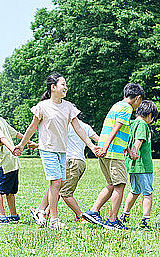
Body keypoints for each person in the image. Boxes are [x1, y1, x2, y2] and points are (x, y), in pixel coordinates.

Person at [13, 73, 103, 230]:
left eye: (65, 84)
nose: (65, 87)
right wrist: (22, 144)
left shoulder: (68, 107)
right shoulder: (42, 107)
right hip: (47, 149)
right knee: (55, 183)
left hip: (62, 151)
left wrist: (91, 146)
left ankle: (41, 211)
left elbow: (78, 128)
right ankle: (54, 220)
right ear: (53, 87)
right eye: (63, 84)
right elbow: (32, 127)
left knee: (59, 184)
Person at [82, 83, 145, 230]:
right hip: (113, 153)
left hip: (108, 152)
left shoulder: (116, 106)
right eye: (140, 101)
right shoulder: (127, 108)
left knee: (112, 184)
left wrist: (128, 150)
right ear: (138, 98)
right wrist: (105, 148)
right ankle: (112, 220)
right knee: (120, 185)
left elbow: (118, 130)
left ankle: (94, 211)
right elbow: (116, 128)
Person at [0, 93, 36, 224]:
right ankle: (13, 215)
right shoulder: (1, 120)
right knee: (9, 191)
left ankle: (1, 216)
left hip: (4, 163)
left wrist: (12, 149)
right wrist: (28, 142)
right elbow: (15, 133)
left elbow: (2, 138)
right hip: (13, 163)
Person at [42, 118, 99, 222]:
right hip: (81, 162)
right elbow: (98, 140)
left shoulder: (66, 125)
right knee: (58, 188)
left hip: (70, 161)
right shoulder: (85, 126)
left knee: (65, 192)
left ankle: (81, 216)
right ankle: (45, 213)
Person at [120, 100, 158, 230]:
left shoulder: (132, 123)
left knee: (135, 190)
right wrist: (134, 152)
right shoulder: (142, 124)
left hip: (132, 166)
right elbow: (139, 139)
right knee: (147, 193)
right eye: (153, 118)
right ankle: (145, 220)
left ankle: (125, 214)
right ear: (150, 115)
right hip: (143, 164)